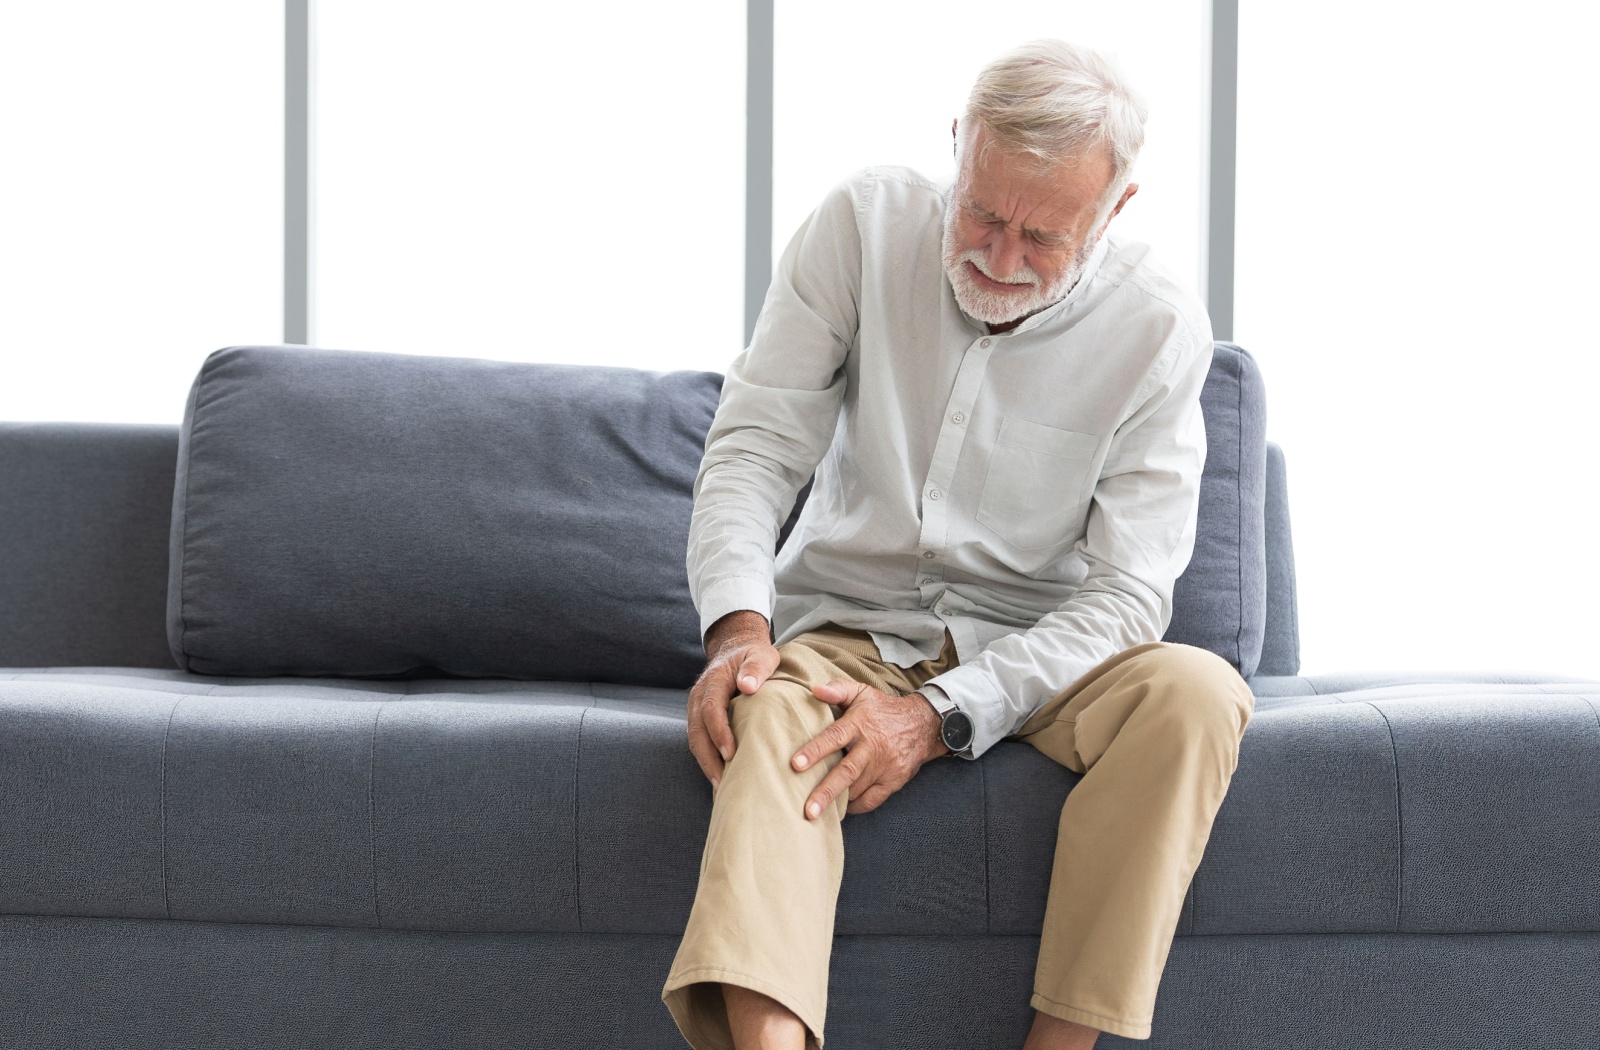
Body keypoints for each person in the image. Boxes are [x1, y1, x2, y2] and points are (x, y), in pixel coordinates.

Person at [661, 38, 1255, 1050]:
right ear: (958, 148)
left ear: (1113, 211)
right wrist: (736, 632)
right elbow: (756, 444)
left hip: (1047, 648)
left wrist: (936, 717)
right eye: (982, 212)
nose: (998, 254)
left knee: (1196, 694)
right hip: (853, 623)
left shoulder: (1157, 328)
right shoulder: (863, 223)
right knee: (774, 715)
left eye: (1043, 236)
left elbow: (1124, 600)